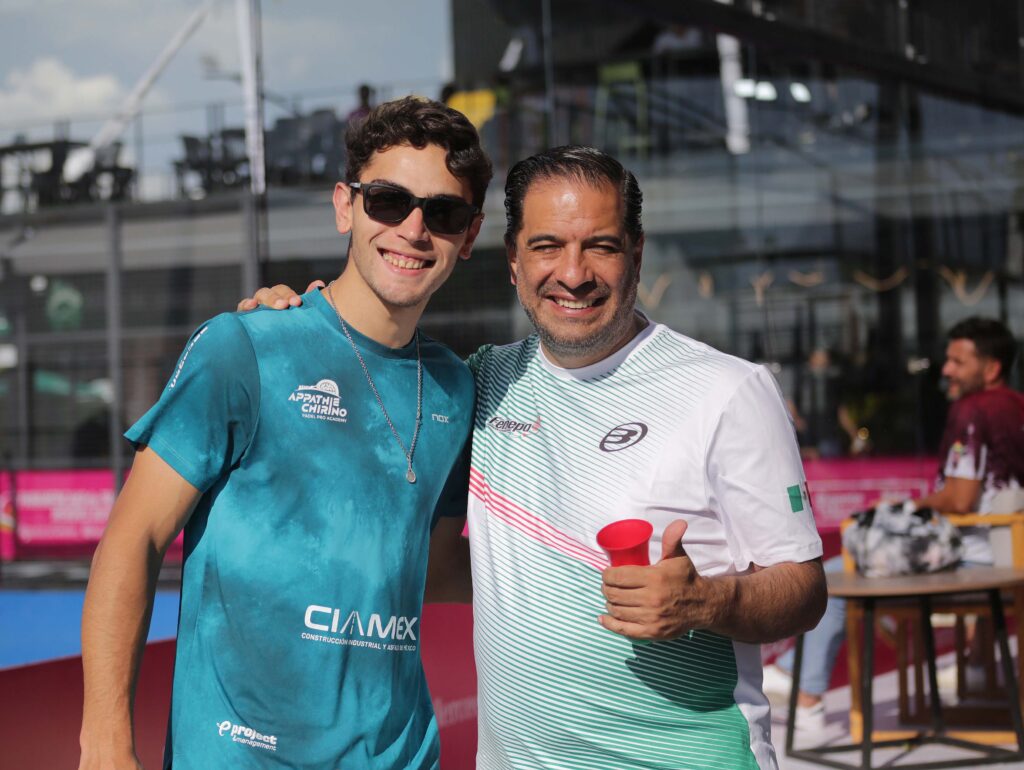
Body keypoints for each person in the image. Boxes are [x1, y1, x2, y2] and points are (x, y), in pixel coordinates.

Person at [244, 145, 827, 769]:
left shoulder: (727, 389)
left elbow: (804, 589)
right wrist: (300, 326)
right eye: (547, 246)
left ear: (636, 254)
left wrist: (707, 602)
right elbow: (433, 549)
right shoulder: (477, 383)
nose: (573, 274)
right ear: (513, 260)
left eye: (600, 246)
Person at [78, 96, 491, 769]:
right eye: (389, 201)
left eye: (442, 213)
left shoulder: (456, 388)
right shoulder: (244, 348)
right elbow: (134, 538)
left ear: (469, 236)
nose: (414, 229)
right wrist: (105, 744)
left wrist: (581, 584)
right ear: (345, 207)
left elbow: (438, 568)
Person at [764, 316, 1024, 729]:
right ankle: (974, 666)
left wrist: (909, 504)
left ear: (991, 368)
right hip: (1009, 555)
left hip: (973, 561)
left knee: (835, 575)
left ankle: (805, 690)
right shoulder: (1016, 407)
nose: (946, 370)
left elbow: (960, 498)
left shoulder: (973, 409)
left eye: (958, 362)